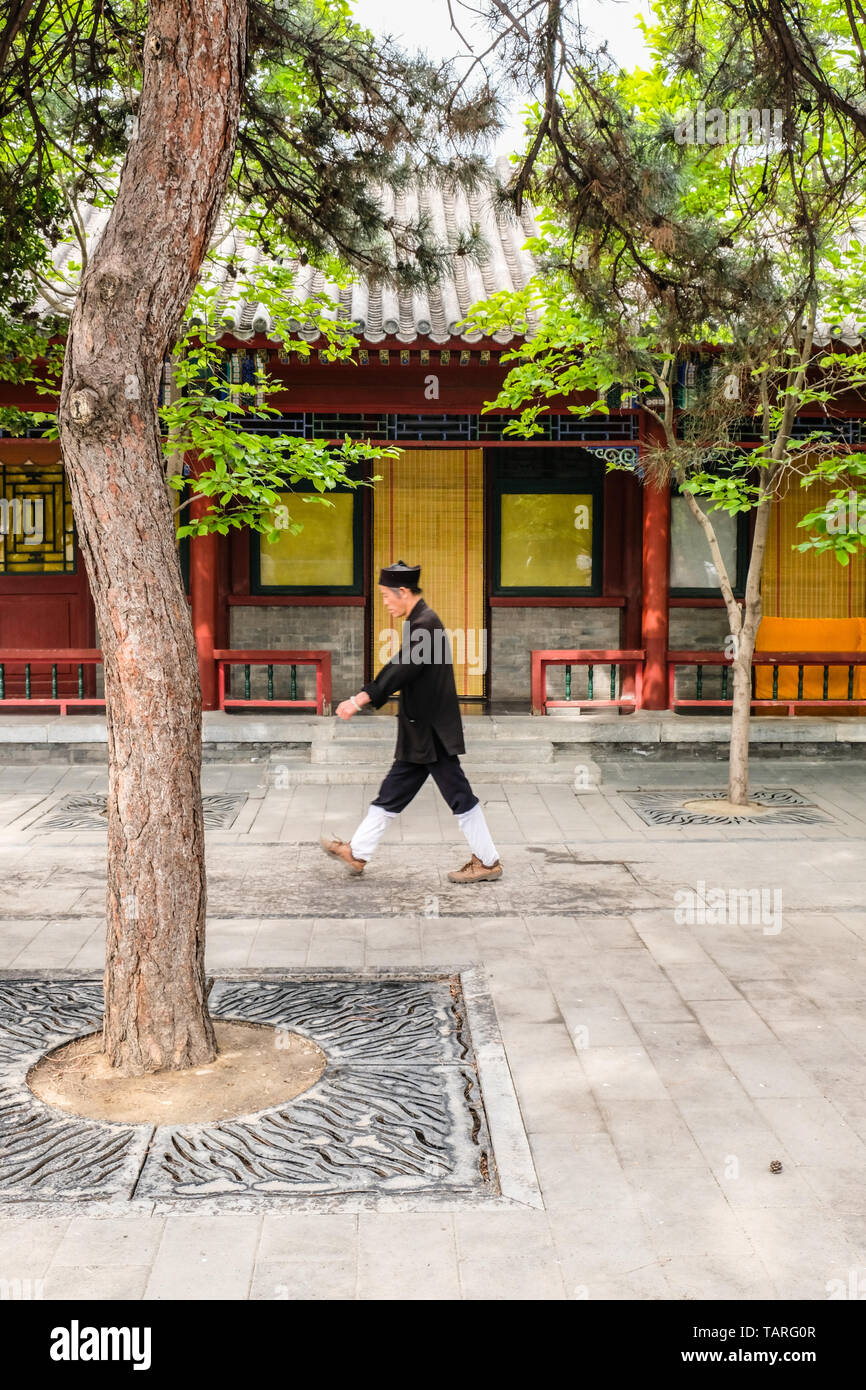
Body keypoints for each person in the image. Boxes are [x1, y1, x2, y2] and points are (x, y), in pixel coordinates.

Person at [320, 560, 502, 883]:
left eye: (386, 596)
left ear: (403, 591)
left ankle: (487, 861)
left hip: (431, 733)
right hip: (421, 731)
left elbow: (400, 668)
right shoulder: (420, 622)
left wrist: (359, 699)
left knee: (459, 796)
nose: (385, 602)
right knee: (392, 792)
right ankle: (358, 852)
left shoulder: (425, 624)